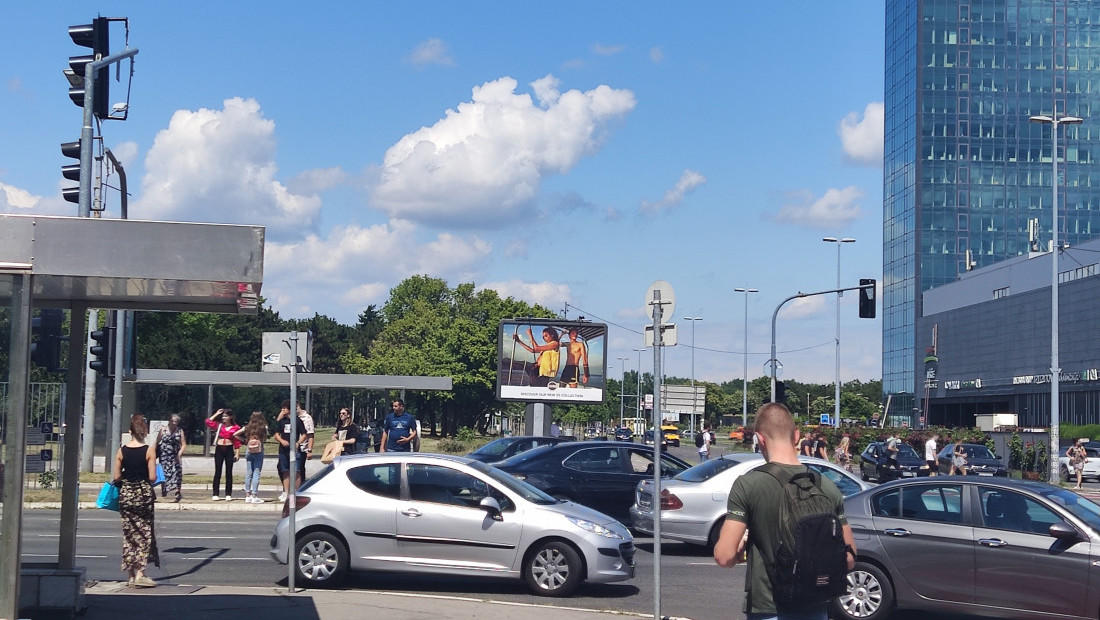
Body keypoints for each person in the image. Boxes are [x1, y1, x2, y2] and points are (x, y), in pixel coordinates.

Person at [714, 403, 856, 619]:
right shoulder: (826, 486)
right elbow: (849, 558)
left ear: (760, 439)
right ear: (797, 436)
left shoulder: (748, 485)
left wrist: (741, 551)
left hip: (769, 607)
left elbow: (724, 557)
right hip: (816, 606)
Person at [112, 413, 160, 588]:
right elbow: (153, 477)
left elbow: (117, 476)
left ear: (130, 431)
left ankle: (131, 575)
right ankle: (141, 573)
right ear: (144, 431)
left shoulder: (121, 450)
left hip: (127, 494)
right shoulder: (149, 450)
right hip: (143, 494)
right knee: (144, 533)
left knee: (129, 534)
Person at [274, 400, 308, 501]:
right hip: (283, 450)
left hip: (295, 450)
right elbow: (276, 434)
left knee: (297, 471)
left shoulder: (297, 421)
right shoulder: (282, 421)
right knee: (285, 471)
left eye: (284, 408)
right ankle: (286, 492)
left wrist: (298, 443)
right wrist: (282, 441)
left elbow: (304, 434)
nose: (282, 410)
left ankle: (296, 492)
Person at [205, 408, 241, 501]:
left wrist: (237, 453)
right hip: (219, 449)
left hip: (229, 449)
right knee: (218, 471)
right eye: (223, 416)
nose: (224, 418)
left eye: (226, 416)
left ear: (230, 417)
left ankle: (228, 493)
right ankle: (215, 493)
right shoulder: (219, 425)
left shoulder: (236, 427)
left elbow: (237, 442)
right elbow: (208, 422)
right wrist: (217, 413)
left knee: (229, 472)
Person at [233, 411, 268, 503]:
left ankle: (247, 494)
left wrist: (244, 440)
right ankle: (254, 495)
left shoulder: (247, 428)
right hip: (259, 451)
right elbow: (265, 438)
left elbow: (235, 434)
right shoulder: (263, 428)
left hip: (249, 450)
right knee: (257, 472)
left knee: (249, 472)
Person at [154, 413, 186, 502]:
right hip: (164, 455)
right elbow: (157, 442)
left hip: (175, 455)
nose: (174, 423)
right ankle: (164, 491)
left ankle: (177, 491)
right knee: (165, 473)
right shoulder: (163, 430)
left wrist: (179, 454)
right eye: (172, 421)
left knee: (177, 472)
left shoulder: (180, 431)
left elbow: (183, 444)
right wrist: (153, 454)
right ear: (169, 421)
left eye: (176, 421)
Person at [296, 403, 316, 487]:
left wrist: (309, 450)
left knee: (299, 469)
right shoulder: (292, 418)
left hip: (302, 448)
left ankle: (301, 487)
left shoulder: (307, 418)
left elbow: (310, 435)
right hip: (291, 448)